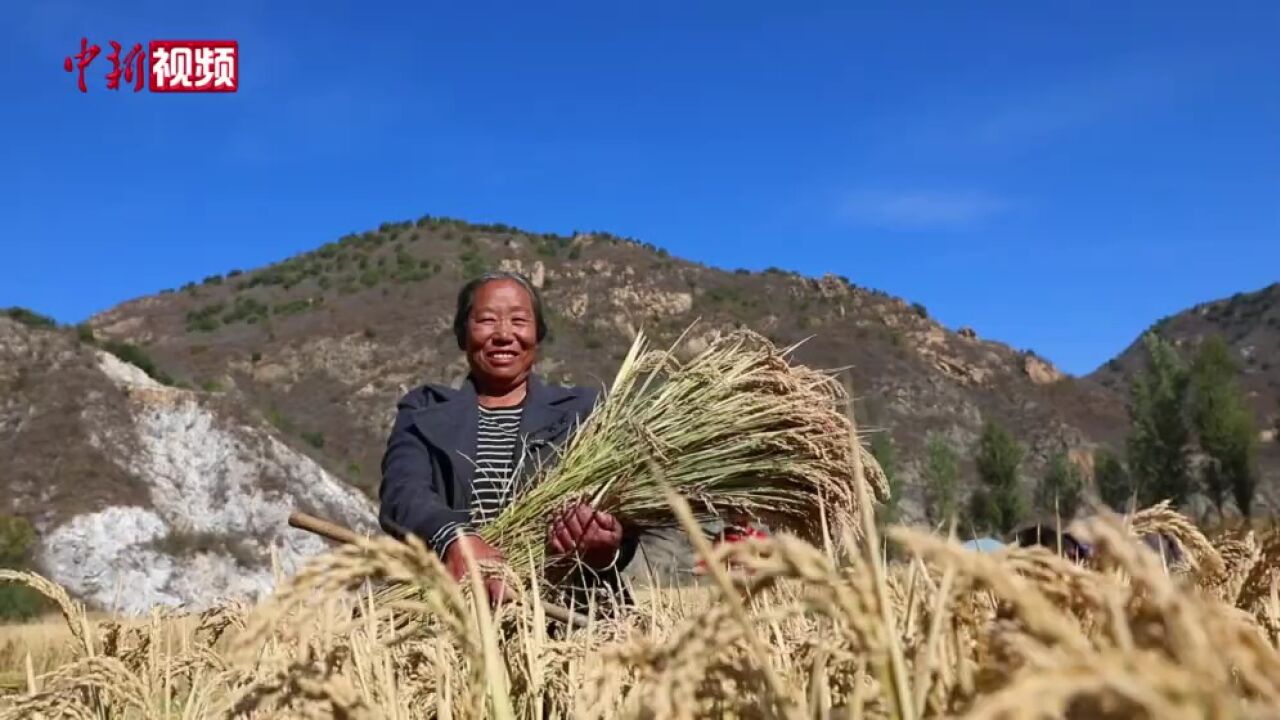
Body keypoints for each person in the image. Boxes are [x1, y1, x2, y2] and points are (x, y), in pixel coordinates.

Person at [378, 271, 637, 608]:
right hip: (454, 611)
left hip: (569, 615)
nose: (503, 334)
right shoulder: (424, 409)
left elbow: (627, 515)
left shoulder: (586, 411)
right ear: (463, 334)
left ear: (537, 334)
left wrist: (608, 542)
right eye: (486, 320)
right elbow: (403, 491)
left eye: (518, 320)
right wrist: (451, 536)